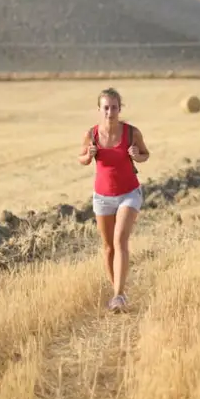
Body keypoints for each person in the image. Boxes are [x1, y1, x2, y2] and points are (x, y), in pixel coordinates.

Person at [78, 87, 150, 312]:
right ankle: (118, 293)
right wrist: (88, 155)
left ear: (120, 109)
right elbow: (81, 158)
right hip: (102, 198)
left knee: (120, 241)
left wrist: (137, 155)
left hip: (129, 193)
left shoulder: (131, 133)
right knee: (108, 248)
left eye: (114, 107)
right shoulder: (91, 135)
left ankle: (118, 295)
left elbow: (145, 155)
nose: (110, 112)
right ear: (99, 109)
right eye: (106, 108)